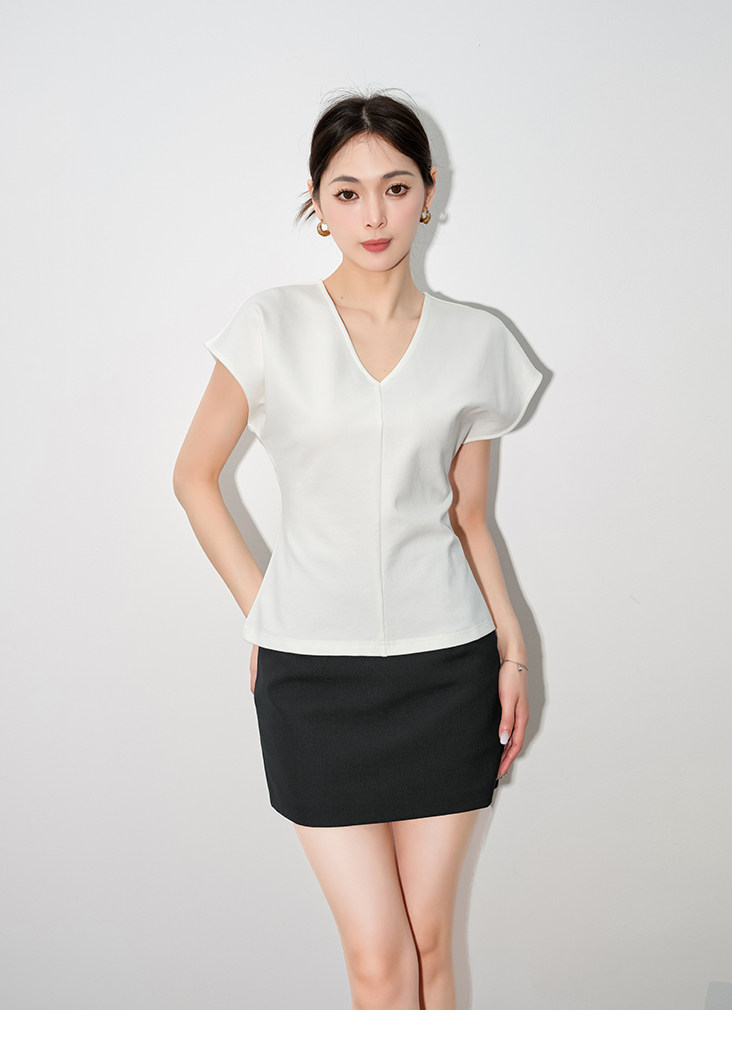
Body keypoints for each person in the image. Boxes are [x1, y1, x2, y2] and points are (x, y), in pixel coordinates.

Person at [173, 89, 542, 1010]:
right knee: (378, 957)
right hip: (312, 681)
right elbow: (193, 478)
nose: (373, 215)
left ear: (429, 193)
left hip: (447, 670)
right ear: (317, 201)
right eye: (347, 193)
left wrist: (512, 653)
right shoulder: (270, 325)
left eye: (396, 187)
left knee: (429, 940)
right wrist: (264, 610)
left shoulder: (477, 341)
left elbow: (471, 518)